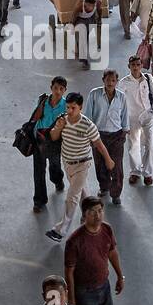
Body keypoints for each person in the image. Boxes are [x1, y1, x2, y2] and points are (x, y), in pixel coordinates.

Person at [64, 197, 124, 305]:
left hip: (103, 286)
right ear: (84, 216)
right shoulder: (75, 241)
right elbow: (69, 271)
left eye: (100, 211)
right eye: (92, 212)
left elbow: (112, 252)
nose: (97, 215)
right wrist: (72, 299)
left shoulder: (106, 230)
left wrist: (119, 276)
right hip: (85, 291)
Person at [45, 92, 114, 243]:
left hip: (82, 165)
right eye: (68, 107)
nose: (69, 111)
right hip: (67, 164)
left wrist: (108, 159)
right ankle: (90, 217)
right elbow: (54, 136)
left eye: (73, 108)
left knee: (72, 197)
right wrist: (59, 127)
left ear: (80, 108)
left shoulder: (88, 125)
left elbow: (98, 144)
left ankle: (60, 231)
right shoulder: (63, 120)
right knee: (84, 194)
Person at [85, 70, 128, 205]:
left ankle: (116, 193)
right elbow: (88, 116)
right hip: (98, 135)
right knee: (100, 164)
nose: (110, 83)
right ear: (103, 80)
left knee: (117, 166)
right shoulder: (94, 94)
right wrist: (90, 136)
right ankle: (104, 187)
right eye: (108, 80)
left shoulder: (121, 97)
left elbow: (125, 115)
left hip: (116, 135)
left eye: (113, 80)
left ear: (116, 82)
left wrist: (124, 132)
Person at [30, 76, 68, 212]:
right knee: (38, 171)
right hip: (39, 138)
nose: (58, 91)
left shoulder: (66, 105)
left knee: (55, 166)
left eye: (61, 89)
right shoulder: (43, 101)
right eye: (55, 88)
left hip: (55, 141)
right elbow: (34, 118)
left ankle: (58, 180)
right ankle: (39, 200)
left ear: (65, 90)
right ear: (51, 87)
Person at [122, 55, 153, 187]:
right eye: (133, 65)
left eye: (138, 65)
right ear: (129, 67)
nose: (136, 67)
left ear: (141, 65)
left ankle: (147, 173)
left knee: (150, 145)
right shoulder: (124, 82)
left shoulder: (148, 79)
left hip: (147, 117)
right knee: (134, 146)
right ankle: (135, 172)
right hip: (132, 118)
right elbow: (121, 102)